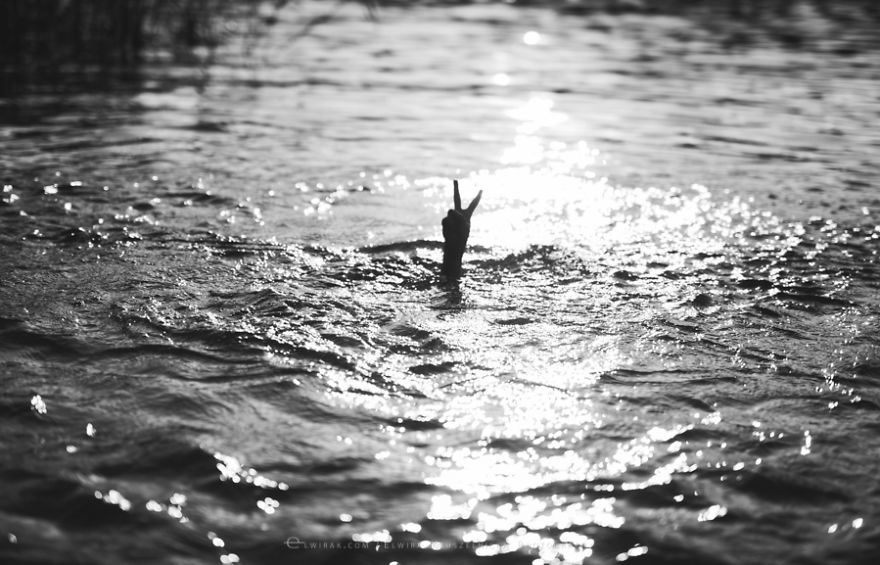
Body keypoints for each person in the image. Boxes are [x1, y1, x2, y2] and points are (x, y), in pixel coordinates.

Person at [441, 180, 482, 279]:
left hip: (450, 269)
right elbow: (470, 204)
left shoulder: (457, 233)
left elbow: (470, 204)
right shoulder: (458, 233)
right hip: (452, 269)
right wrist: (481, 192)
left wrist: (455, 186)